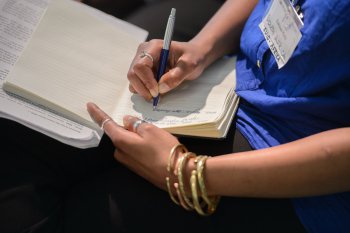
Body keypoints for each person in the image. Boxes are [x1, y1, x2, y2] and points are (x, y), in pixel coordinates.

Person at [0, 1, 349, 233]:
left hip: (299, 150)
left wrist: (192, 174)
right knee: (16, 136)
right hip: (245, 55)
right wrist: (201, 48)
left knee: (92, 213)